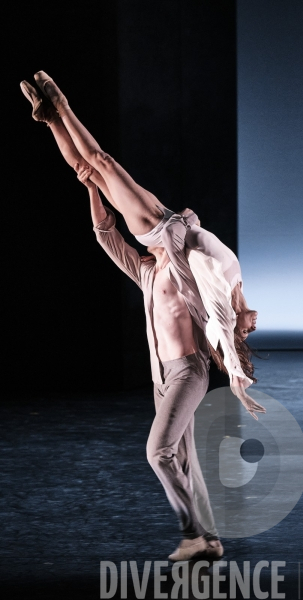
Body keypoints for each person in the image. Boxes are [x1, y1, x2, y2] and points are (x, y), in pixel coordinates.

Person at [20, 71, 260, 406]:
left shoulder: (219, 294)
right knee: (87, 170)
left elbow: (222, 319)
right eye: (251, 331)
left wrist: (235, 372)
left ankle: (62, 106)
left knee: (102, 162)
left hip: (156, 225)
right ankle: (49, 119)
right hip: (164, 219)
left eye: (245, 332)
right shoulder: (239, 282)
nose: (253, 325)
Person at [75, 162, 265, 560]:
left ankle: (192, 533)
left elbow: (214, 285)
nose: (145, 229)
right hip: (161, 378)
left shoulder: (186, 273)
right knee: (182, 457)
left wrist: (238, 337)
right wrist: (91, 186)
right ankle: (209, 538)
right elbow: (106, 236)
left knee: (157, 452)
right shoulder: (147, 273)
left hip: (189, 372)